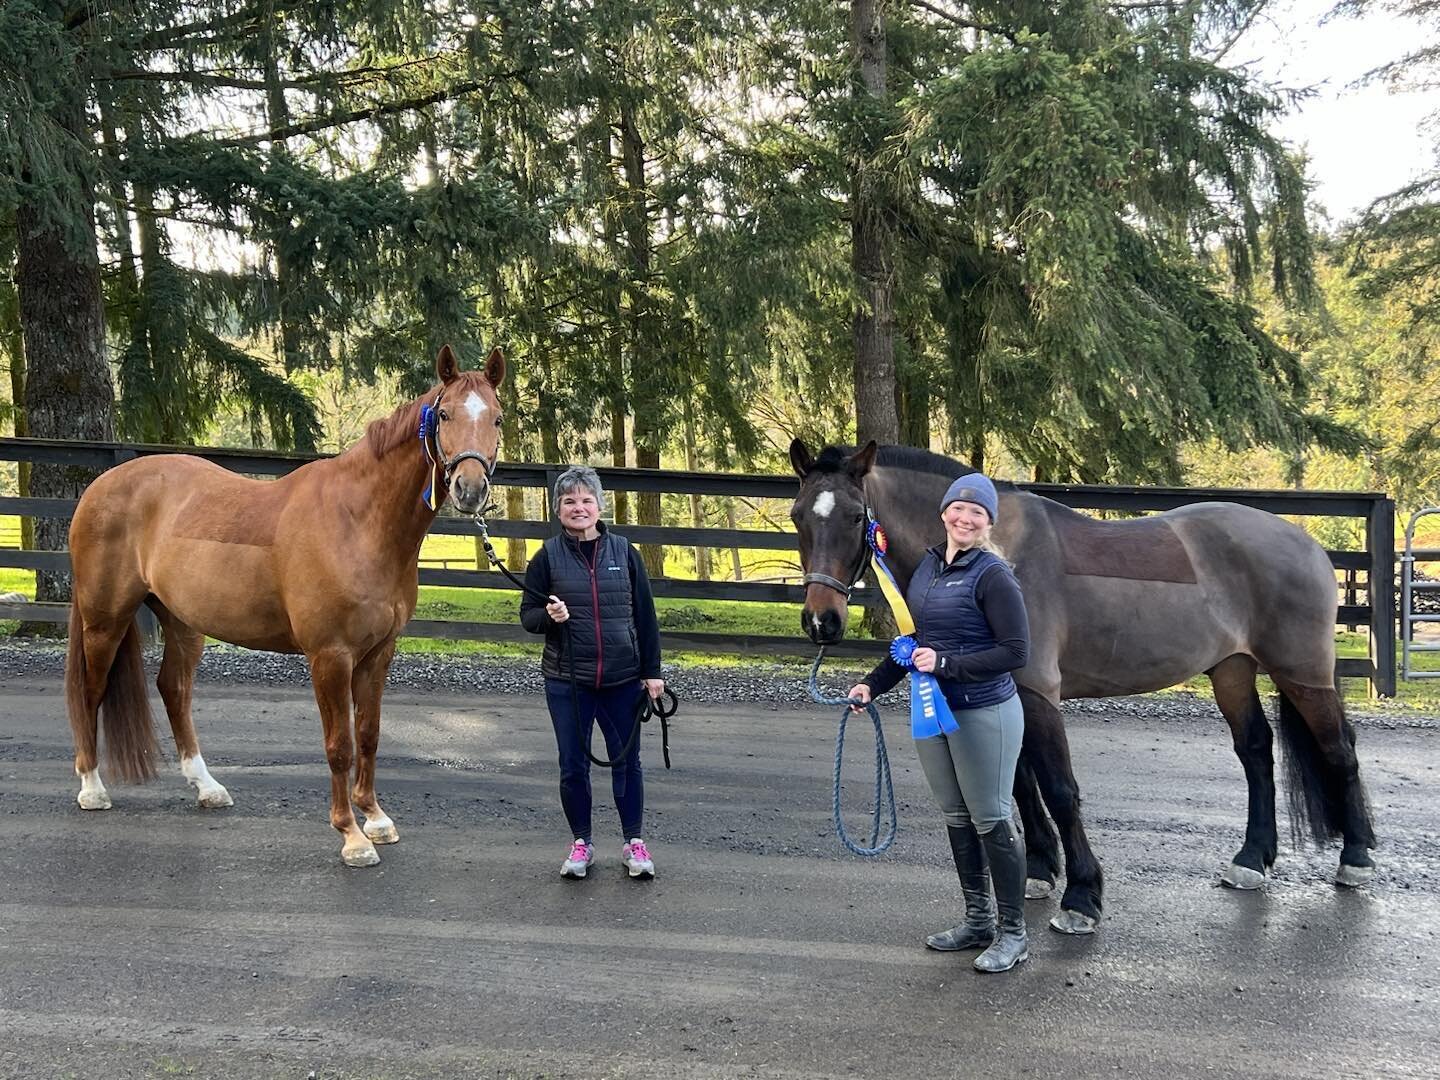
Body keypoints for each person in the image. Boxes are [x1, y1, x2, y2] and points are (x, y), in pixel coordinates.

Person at [847, 473, 1031, 973]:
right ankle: (978, 919)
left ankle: (1014, 932)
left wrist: (947, 665)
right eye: (958, 509)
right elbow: (915, 642)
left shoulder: (993, 574)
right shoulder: (928, 566)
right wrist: (872, 684)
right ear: (944, 512)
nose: (965, 519)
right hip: (934, 711)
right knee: (956, 816)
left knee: (990, 816)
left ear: (988, 522)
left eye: (978, 513)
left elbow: (1015, 652)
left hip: (984, 710)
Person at [520, 466, 666, 881]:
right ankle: (580, 842)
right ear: (558, 510)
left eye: (586, 500)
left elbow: (646, 617)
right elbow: (527, 616)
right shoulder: (546, 557)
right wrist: (550, 617)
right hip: (568, 682)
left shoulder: (625, 552)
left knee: (628, 763)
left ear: (599, 506)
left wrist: (652, 672)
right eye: (569, 501)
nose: (578, 508)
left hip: (623, 681)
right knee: (572, 765)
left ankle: (634, 842)